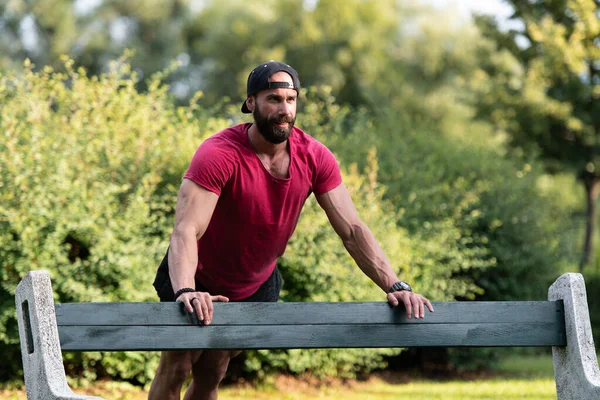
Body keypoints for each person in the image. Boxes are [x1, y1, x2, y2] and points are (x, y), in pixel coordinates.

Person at [148, 60, 434, 400]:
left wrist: (396, 284)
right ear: (251, 103)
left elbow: (353, 229)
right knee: (178, 365)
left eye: (290, 99)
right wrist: (185, 291)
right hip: (195, 278)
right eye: (273, 99)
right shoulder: (219, 154)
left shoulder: (315, 157)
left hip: (254, 284)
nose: (284, 109)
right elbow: (186, 230)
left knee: (213, 370)